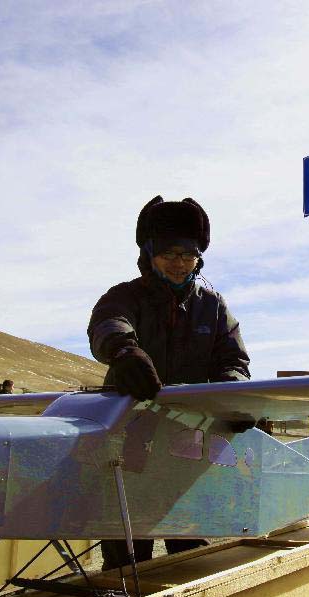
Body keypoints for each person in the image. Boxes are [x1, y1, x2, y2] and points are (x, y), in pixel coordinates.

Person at [88, 195, 250, 571]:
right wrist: (123, 351)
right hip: (128, 440)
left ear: (198, 258)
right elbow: (108, 324)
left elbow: (234, 360)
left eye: (187, 255)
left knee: (191, 542)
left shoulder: (214, 306)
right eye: (168, 254)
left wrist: (232, 395)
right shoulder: (125, 296)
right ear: (149, 254)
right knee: (127, 546)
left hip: (190, 441)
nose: (179, 263)